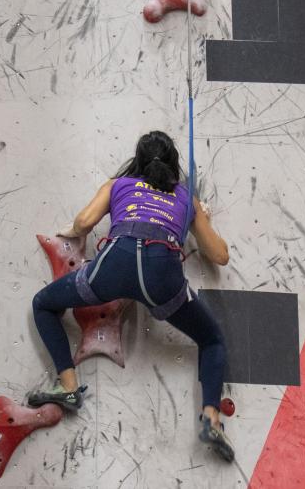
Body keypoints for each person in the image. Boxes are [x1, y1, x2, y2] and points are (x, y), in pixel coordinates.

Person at [26, 130, 235, 462]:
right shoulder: (185, 199)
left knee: (43, 304)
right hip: (162, 277)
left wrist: (76, 231)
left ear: (137, 162)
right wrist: (201, 218)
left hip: (114, 266)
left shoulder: (118, 185)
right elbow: (220, 256)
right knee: (212, 340)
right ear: (173, 164)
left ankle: (67, 386)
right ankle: (211, 418)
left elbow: (83, 221)